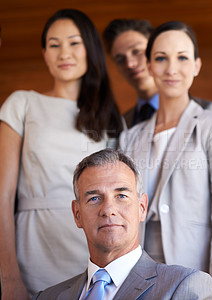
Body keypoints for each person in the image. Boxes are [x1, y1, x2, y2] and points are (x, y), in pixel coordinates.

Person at [0, 9, 123, 299]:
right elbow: (2, 195)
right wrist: (8, 276)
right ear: (44, 54)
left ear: (89, 49)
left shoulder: (109, 120)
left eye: (73, 43)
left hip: (92, 248)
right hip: (34, 246)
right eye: (54, 45)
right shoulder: (22, 103)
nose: (63, 53)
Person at [119, 21, 212, 300]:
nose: (172, 69)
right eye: (161, 58)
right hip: (138, 281)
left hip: (194, 277)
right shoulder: (130, 138)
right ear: (150, 66)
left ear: (197, 65)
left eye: (182, 58)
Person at [33, 149, 212, 300]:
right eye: (95, 198)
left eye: (121, 196)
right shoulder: (46, 297)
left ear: (142, 208)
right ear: (77, 214)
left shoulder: (184, 287)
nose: (108, 209)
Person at [103, 18, 212, 128]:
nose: (130, 63)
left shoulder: (208, 111)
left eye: (137, 51)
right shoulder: (123, 123)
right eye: (120, 59)